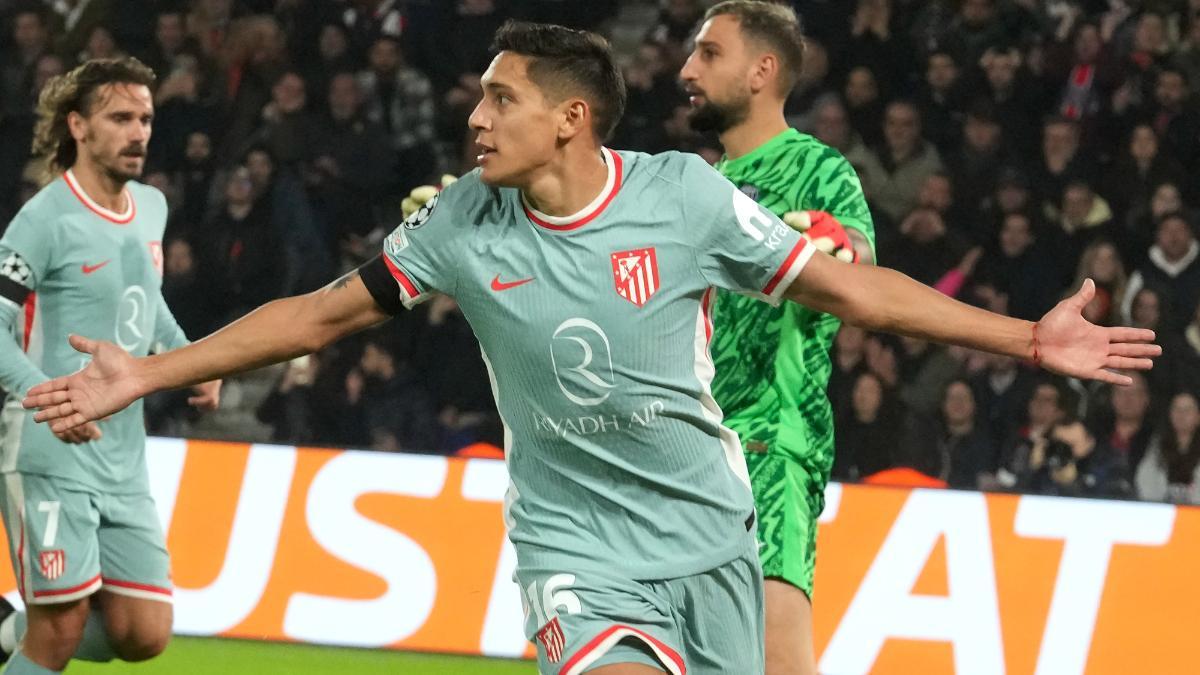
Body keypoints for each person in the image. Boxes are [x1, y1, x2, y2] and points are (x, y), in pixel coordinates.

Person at [22, 23, 1158, 675]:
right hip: (576, 554)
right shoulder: (464, 220)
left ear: (568, 117)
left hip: (711, 539)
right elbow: (324, 312)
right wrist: (150, 371)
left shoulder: (686, 199)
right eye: (477, 97)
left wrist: (1026, 338)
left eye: (499, 100)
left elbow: (857, 296)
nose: (475, 119)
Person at [0, 57, 221, 675]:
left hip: (123, 455)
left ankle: (1, 630)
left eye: (146, 118)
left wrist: (190, 362)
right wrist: (45, 396)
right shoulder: (43, 219)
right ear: (78, 126)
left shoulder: (150, 205)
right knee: (61, 626)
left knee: (142, 632)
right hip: (49, 448)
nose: (139, 132)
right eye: (120, 117)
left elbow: (145, 303)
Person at [678, 4, 875, 673]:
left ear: (762, 70)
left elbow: (862, 269)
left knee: (778, 661)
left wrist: (833, 244)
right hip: (687, 460)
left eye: (708, 54)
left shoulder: (816, 169)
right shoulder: (699, 188)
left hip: (767, 445)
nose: (687, 70)